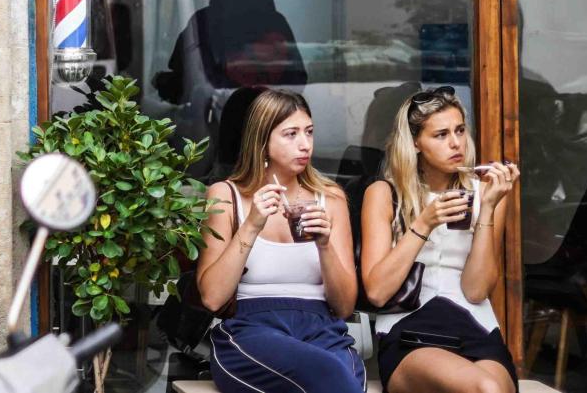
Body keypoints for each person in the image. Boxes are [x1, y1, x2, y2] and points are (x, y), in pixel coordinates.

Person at [196, 88, 364, 393]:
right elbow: (212, 298)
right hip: (252, 328)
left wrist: (325, 245)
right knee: (332, 376)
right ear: (262, 141)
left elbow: (343, 306)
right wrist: (251, 226)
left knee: (342, 377)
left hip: (322, 329)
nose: (305, 144)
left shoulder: (331, 199)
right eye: (290, 134)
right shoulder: (226, 195)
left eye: (309, 132)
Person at [361, 86, 519, 393]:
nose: (456, 143)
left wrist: (487, 208)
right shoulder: (384, 193)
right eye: (441, 135)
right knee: (483, 387)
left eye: (460, 130)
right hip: (411, 331)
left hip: (477, 325)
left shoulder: (486, 192)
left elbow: (476, 290)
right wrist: (424, 223)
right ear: (416, 142)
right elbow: (378, 292)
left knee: (492, 389)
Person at [155, 0, 307, 105]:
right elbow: (298, 78)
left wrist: (160, 83)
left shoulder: (203, 22)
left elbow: (188, 80)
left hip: (220, 120)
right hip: (271, 118)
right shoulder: (277, 21)